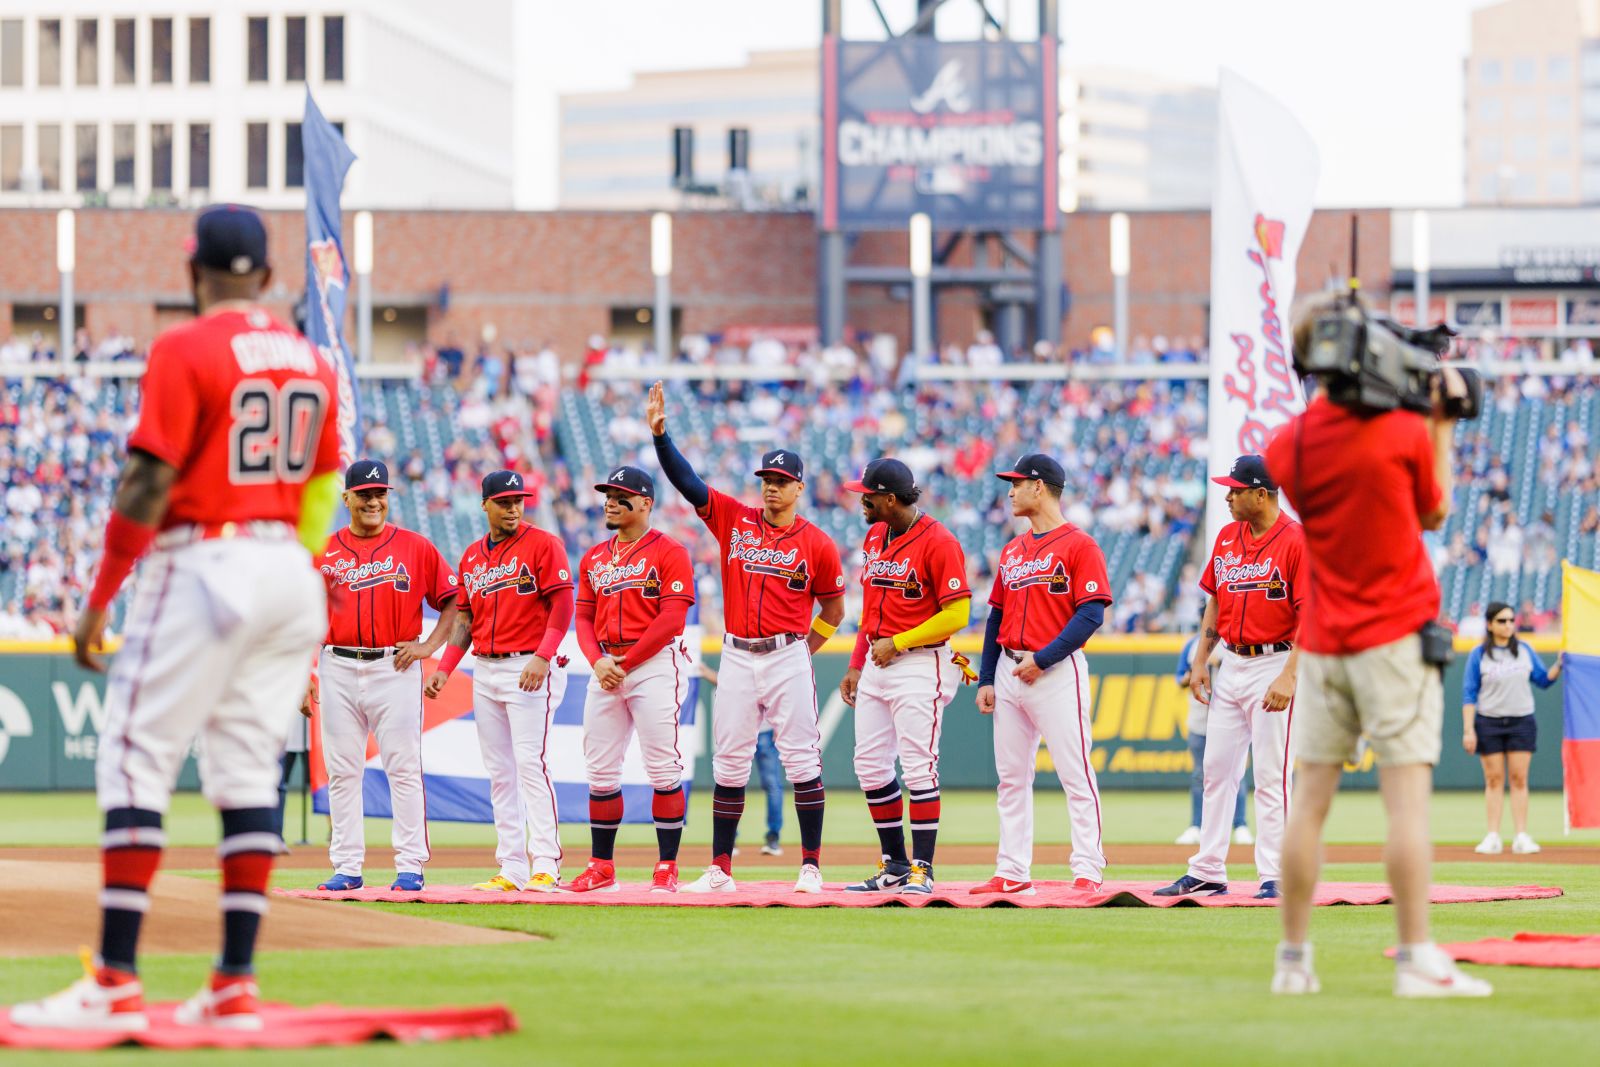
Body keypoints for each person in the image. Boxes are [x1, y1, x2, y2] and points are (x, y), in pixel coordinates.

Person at [13, 205, 341, 1031]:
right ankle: (234, 980)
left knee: (132, 754)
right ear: (266, 277)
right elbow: (323, 489)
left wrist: (99, 597)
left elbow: (146, 485)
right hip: (289, 571)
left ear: (192, 274)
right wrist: (296, 564)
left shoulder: (185, 345)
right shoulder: (313, 359)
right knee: (244, 771)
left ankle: (116, 975)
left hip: (206, 557)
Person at [1263, 308, 1491, 998]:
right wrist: (1440, 422)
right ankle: (1417, 956)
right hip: (1395, 634)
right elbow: (1434, 511)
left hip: (1326, 641)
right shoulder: (1400, 432)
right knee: (1406, 806)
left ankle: (1293, 961)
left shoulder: (1288, 446)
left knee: (1308, 805)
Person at [648, 381, 845, 893]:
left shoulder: (818, 544)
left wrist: (809, 647)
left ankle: (810, 866)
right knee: (729, 762)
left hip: (787, 655)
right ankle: (719, 868)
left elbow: (835, 607)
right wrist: (661, 439)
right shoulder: (735, 520)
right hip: (736, 653)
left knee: (802, 759)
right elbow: (688, 483)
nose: (771, 487)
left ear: (799, 487)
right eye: (766, 479)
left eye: (781, 480)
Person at [1156, 455, 1306, 900]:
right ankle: (1207, 869)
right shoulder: (1226, 536)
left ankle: (1276, 873)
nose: (1227, 495)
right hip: (1232, 663)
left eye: (1236, 490)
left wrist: (1290, 675)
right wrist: (1201, 659)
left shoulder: (1296, 541)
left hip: (1274, 661)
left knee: (1272, 774)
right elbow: (1215, 602)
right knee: (1216, 769)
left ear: (1261, 493)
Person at [308, 459, 460, 893]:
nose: (374, 500)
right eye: (365, 494)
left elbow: (452, 599)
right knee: (342, 770)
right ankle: (347, 866)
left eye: (380, 493)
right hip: (336, 663)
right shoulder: (325, 550)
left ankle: (410, 865)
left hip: (394, 665)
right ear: (348, 498)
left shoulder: (415, 546)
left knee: (403, 767)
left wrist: (430, 647)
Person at [425, 470, 574, 892]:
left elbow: (563, 604)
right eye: (504, 501)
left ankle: (546, 862)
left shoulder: (544, 544)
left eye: (518, 501)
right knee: (500, 772)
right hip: (485, 669)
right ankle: (511, 867)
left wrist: (543, 657)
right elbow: (466, 618)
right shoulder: (472, 555)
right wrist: (444, 668)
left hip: (529, 664)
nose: (513, 508)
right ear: (485, 504)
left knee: (531, 765)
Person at [974, 453, 1112, 895]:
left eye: (1016, 483)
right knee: (1011, 777)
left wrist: (1046, 658)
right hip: (1010, 668)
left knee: (1075, 772)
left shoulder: (1079, 544)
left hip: (1055, 673)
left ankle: (1088, 868)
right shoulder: (1013, 549)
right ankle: (1012, 870)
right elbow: (995, 617)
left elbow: (1091, 615)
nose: (1010, 491)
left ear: (1039, 487)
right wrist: (987, 678)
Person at [838, 458, 973, 895]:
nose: (862, 500)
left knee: (918, 768)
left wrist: (898, 642)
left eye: (868, 495)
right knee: (870, 766)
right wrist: (856, 664)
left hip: (919, 660)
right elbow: (870, 608)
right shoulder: (876, 534)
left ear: (890, 499)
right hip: (877, 661)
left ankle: (922, 869)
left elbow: (958, 613)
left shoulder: (940, 541)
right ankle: (894, 864)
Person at [566, 466, 696, 893]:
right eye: (608, 495)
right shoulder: (594, 556)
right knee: (600, 772)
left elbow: (674, 617)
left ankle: (667, 865)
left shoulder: (669, 550)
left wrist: (624, 662)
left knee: (662, 767)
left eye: (622, 496)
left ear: (645, 503)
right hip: (606, 665)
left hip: (654, 663)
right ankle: (602, 867)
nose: (611, 502)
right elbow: (582, 615)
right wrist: (597, 660)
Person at [1462, 601, 1563, 856]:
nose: (1508, 625)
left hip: (1521, 720)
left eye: (1510, 620)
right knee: (1494, 780)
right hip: (1489, 721)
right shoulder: (1479, 655)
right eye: (1502, 621)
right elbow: (1469, 694)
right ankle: (1493, 836)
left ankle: (1521, 835)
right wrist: (1468, 730)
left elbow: (1542, 679)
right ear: (1490, 624)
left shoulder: (1525, 650)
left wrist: (1559, 665)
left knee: (1519, 779)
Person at [1175, 627, 1247, 846]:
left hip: (1231, 717)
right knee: (1200, 775)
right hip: (1200, 719)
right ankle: (1196, 825)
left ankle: (1240, 825)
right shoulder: (1192, 646)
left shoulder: (1233, 641)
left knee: (1237, 772)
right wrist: (1198, 669)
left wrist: (1219, 663)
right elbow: (1179, 679)